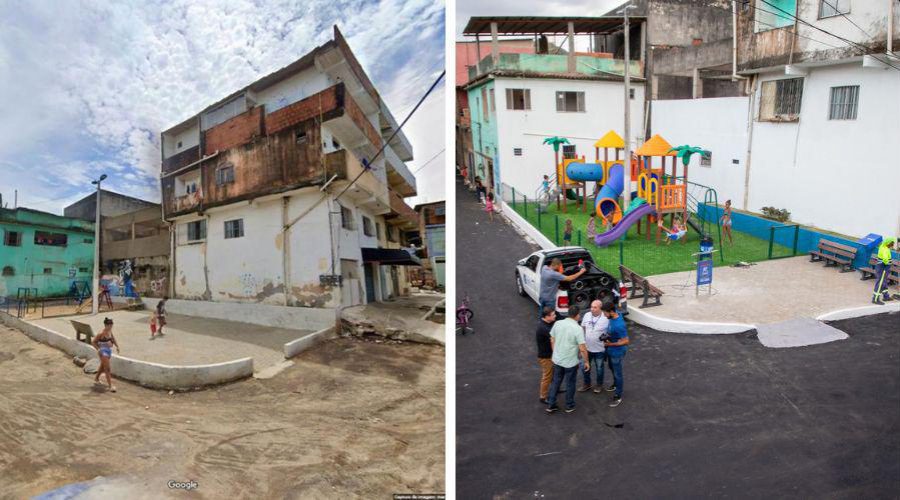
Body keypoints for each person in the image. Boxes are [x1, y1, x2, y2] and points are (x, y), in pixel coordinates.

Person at [546, 304, 590, 414]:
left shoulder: (557, 323)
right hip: (570, 362)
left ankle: (551, 404)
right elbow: (583, 349)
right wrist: (586, 361)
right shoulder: (578, 329)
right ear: (577, 315)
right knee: (570, 383)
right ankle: (569, 405)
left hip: (557, 360)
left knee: (556, 382)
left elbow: (552, 339)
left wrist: (555, 352)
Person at [602, 300, 630, 407]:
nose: (604, 315)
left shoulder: (619, 325)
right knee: (611, 367)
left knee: (618, 374)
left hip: (617, 352)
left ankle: (618, 396)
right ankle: (615, 384)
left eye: (605, 313)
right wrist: (608, 336)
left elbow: (626, 341)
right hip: (610, 350)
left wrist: (610, 344)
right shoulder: (614, 316)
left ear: (611, 312)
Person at [579, 299, 609, 393]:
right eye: (591, 306)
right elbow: (582, 328)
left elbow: (610, 332)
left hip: (599, 349)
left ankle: (599, 385)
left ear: (600, 308)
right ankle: (587, 384)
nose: (592, 309)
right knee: (585, 367)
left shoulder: (606, 318)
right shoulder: (587, 315)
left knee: (599, 368)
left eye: (595, 307)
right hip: (587, 348)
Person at [91, 317, 120, 392]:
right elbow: (93, 342)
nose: (110, 327)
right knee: (107, 368)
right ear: (106, 325)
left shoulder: (110, 332)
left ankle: (96, 378)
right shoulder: (101, 333)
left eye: (111, 325)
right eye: (109, 325)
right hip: (103, 352)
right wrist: (98, 349)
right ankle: (110, 386)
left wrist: (117, 346)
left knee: (103, 366)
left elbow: (113, 339)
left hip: (108, 351)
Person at [535, 306, 557, 404]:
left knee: (553, 373)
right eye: (553, 315)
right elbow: (554, 339)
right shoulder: (544, 328)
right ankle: (543, 397)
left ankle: (555, 388)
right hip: (546, 357)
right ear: (547, 317)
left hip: (549, 355)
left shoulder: (547, 323)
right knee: (547, 376)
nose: (555, 316)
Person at [873, 237, 896, 305]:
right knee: (880, 283)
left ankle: (886, 296)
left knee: (884, 282)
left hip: (881, 267)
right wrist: (891, 261)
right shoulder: (885, 249)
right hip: (882, 268)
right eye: (892, 244)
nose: (892, 245)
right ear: (888, 243)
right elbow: (886, 261)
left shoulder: (883, 247)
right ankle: (875, 299)